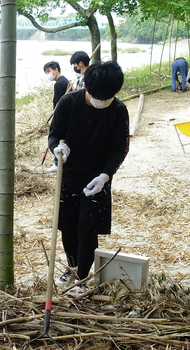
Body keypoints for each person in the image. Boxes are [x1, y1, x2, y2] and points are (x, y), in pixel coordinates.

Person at [48, 61, 130, 295]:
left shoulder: (117, 110)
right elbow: (55, 134)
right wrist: (57, 148)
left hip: (97, 178)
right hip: (69, 174)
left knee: (88, 228)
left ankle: (82, 277)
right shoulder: (68, 102)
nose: (101, 102)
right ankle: (72, 268)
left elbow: (120, 148)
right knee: (68, 226)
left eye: (107, 98)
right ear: (87, 88)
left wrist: (105, 176)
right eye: (97, 97)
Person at [43, 61, 70, 173]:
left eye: (49, 71)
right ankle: (58, 162)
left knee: (58, 138)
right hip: (67, 114)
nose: (48, 74)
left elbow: (58, 103)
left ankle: (57, 163)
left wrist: (55, 115)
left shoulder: (59, 84)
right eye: (46, 72)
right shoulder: (65, 80)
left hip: (61, 115)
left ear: (56, 69)